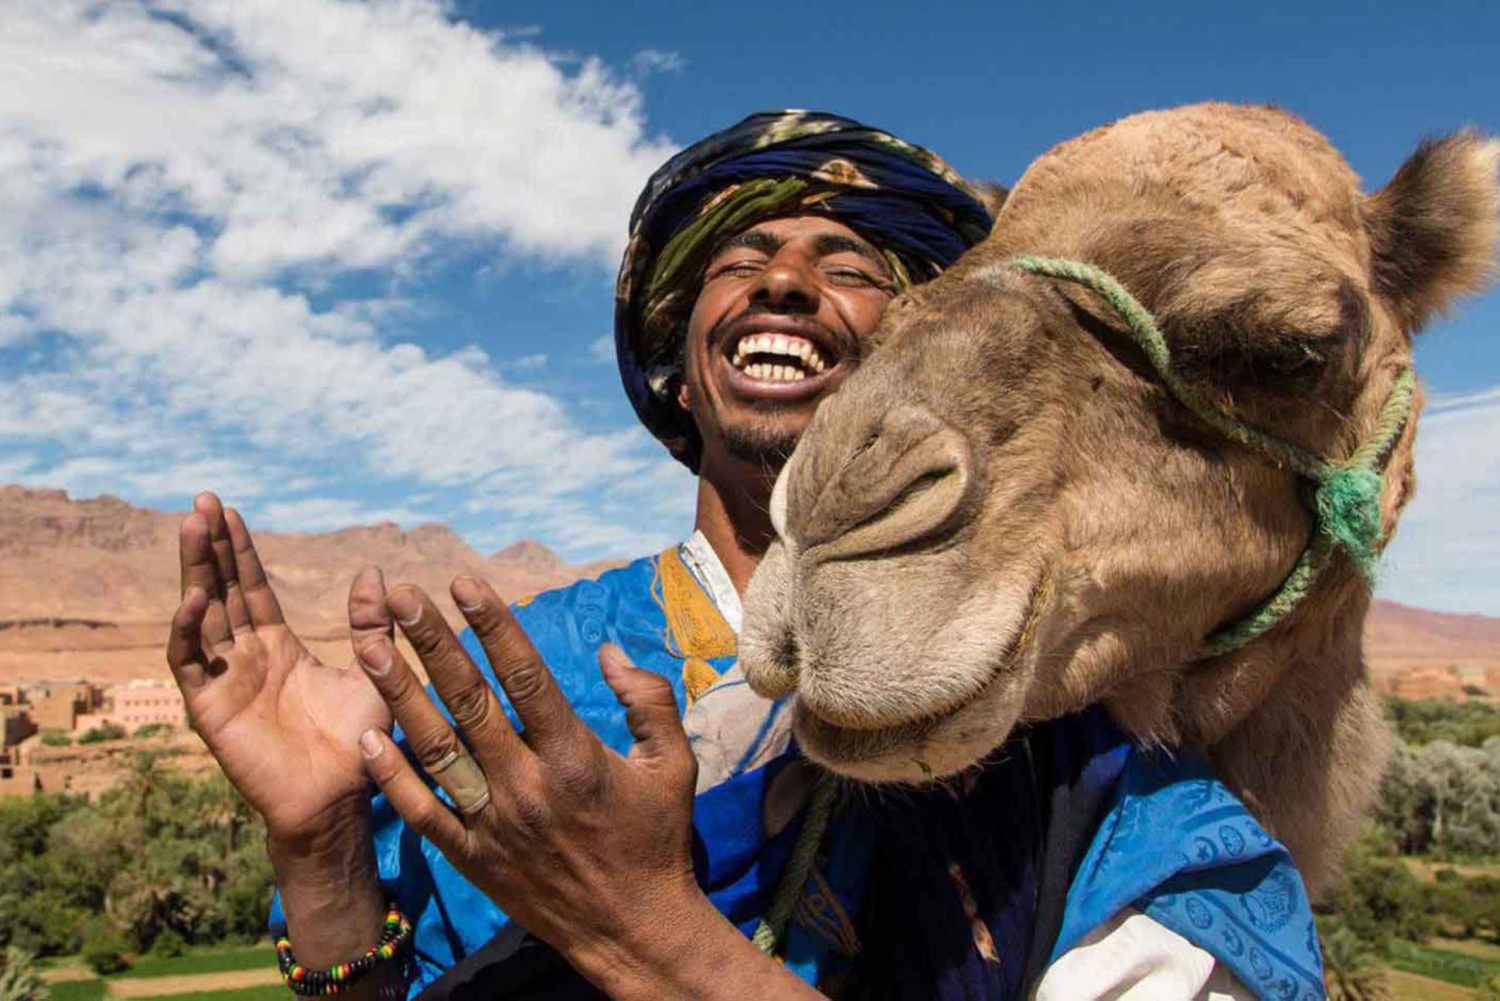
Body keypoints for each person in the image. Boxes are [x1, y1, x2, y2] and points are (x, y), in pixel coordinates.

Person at [167, 112, 1321, 1001]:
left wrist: (644, 930)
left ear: (927, 345)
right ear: (679, 360)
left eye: (853, 265)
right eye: (744, 255)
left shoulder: (1074, 749)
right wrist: (318, 842)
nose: (785, 281)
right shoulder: (520, 675)